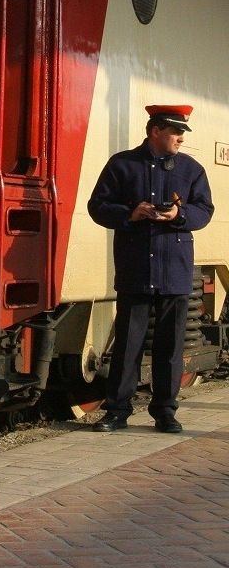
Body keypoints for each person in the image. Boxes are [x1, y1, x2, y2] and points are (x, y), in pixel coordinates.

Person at [88, 104, 214, 433]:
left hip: (174, 271)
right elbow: (97, 206)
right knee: (128, 345)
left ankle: (165, 412)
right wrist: (131, 213)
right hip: (135, 269)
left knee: (170, 347)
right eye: (175, 131)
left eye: (182, 132)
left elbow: (204, 210)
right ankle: (117, 411)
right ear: (155, 131)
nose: (181, 139)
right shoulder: (122, 165)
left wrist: (179, 216)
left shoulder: (192, 169)